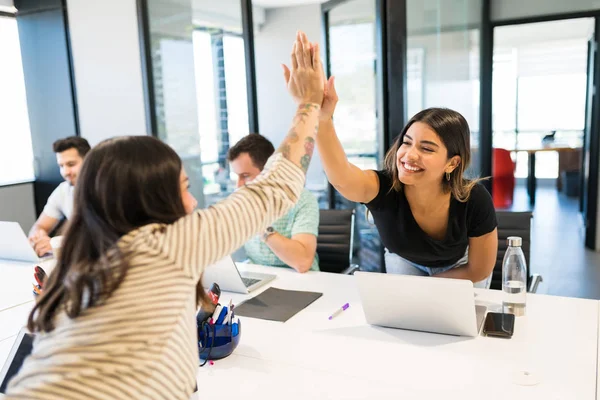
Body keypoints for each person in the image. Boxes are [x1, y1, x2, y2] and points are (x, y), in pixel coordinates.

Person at [5, 31, 324, 399]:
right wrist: (309, 101)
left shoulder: (74, 267)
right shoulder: (166, 247)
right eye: (184, 188)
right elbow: (276, 185)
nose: (191, 204)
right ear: (150, 200)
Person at [312, 77, 497, 288]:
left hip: (460, 267)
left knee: (462, 320)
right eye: (406, 143)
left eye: (426, 148)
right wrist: (322, 119)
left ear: (452, 163)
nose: (409, 155)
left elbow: (479, 269)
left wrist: (424, 287)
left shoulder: (474, 198)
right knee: (403, 321)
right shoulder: (382, 186)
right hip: (404, 261)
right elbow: (342, 177)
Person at [227, 134, 320, 273]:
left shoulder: (302, 200)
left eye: (245, 176)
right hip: (257, 276)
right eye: (237, 176)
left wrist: (260, 225)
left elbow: (303, 262)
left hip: (299, 281)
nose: (239, 185)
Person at [28, 136, 91, 256]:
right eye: (61, 166)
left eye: (71, 164)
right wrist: (38, 236)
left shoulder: (105, 189)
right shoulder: (63, 190)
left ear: (88, 161)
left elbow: (99, 236)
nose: (65, 172)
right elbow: (40, 226)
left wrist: (57, 244)